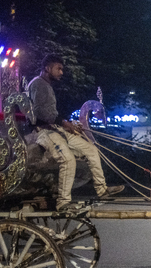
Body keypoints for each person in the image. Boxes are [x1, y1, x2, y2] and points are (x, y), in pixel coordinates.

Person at [28, 54, 124, 211]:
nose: (61, 72)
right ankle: (63, 202)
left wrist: (67, 124)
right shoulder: (38, 84)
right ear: (47, 68)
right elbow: (40, 113)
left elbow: (51, 114)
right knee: (68, 160)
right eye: (58, 68)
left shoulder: (46, 85)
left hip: (56, 130)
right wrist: (64, 123)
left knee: (91, 150)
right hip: (44, 132)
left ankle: (102, 190)